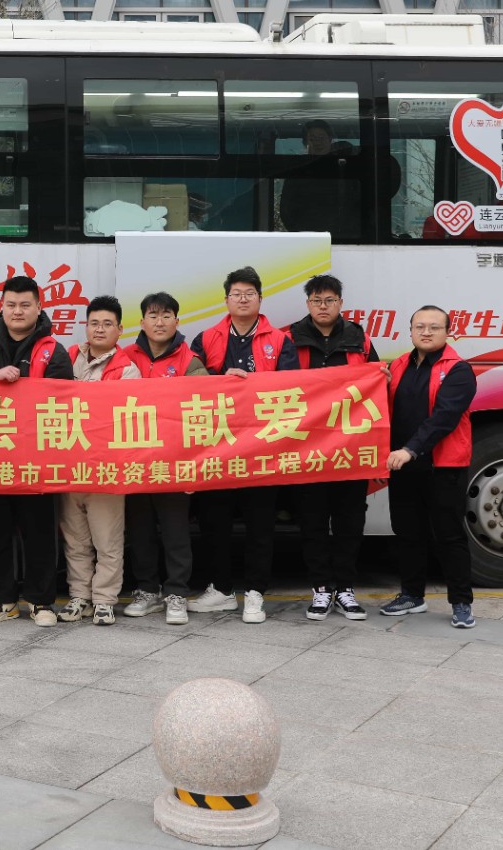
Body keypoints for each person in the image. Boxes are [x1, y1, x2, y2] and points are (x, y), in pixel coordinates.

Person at [0, 275, 73, 626]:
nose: (17, 311)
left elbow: (64, 398)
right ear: (2, 307)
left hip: (36, 459)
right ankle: (1, 602)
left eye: (25, 305)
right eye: (11, 305)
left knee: (40, 533)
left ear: (38, 308)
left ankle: (41, 602)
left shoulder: (53, 349)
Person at [189, 267, 298, 625]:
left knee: (260, 523)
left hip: (261, 449)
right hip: (217, 448)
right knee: (214, 522)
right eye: (236, 293)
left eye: (250, 293)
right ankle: (221, 589)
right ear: (226, 300)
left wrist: (252, 383)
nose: (243, 299)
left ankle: (255, 592)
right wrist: (221, 380)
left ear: (260, 299)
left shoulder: (280, 341)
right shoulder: (206, 338)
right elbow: (191, 387)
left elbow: (292, 389)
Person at [286, 275, 378, 621]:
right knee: (312, 520)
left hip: (349, 449)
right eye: (316, 300)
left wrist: (380, 379)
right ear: (307, 304)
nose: (323, 306)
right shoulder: (291, 338)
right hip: (307, 449)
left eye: (329, 300)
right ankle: (321, 588)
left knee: (349, 521)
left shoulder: (359, 339)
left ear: (340, 302)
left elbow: (374, 382)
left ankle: (346, 589)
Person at [382, 305, 478, 629]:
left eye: (434, 327)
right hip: (404, 466)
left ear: (448, 332)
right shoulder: (398, 365)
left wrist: (410, 449)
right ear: (410, 331)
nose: (426, 332)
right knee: (408, 533)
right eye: (419, 326)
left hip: (443, 466)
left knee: (449, 535)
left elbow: (444, 418)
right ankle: (412, 595)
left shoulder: (459, 370)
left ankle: (461, 602)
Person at [122, 291, 208, 626]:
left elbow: (203, 414)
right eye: (153, 316)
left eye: (166, 315)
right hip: (134, 461)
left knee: (175, 532)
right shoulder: (125, 357)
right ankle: (147, 590)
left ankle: (176, 593)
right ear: (142, 322)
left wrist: (194, 464)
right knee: (140, 529)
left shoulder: (190, 360)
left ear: (177, 321)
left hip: (174, 463)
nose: (159, 322)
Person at [59, 296, 139, 626]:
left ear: (120, 329)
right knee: (75, 539)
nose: (100, 329)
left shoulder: (128, 369)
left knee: (107, 540)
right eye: (94, 323)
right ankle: (79, 596)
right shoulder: (67, 358)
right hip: (69, 465)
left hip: (107, 468)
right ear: (86, 327)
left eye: (107, 324)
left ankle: (104, 599)